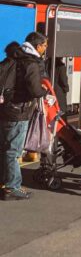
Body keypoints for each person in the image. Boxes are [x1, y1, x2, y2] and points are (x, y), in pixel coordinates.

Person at [0, 33, 48, 201]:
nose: (45, 49)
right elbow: (35, 91)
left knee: (4, 149)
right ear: (37, 46)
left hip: (5, 109)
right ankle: (13, 187)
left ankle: (4, 182)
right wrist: (45, 91)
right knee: (13, 151)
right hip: (19, 112)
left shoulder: (11, 59)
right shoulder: (30, 63)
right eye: (44, 46)